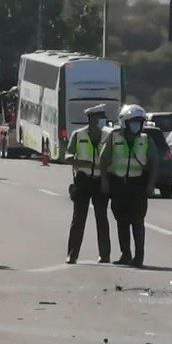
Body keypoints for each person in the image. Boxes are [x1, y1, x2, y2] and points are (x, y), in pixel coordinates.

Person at [100, 104, 160, 267]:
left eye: (140, 122)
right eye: (134, 122)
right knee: (121, 221)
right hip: (119, 186)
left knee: (138, 222)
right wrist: (104, 181)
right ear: (125, 122)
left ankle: (139, 256)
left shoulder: (146, 140)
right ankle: (126, 254)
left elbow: (154, 163)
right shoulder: (114, 137)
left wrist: (150, 185)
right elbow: (104, 159)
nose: (137, 125)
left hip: (138, 186)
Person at [65, 106, 111, 264]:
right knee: (78, 219)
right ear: (91, 119)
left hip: (100, 180)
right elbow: (68, 156)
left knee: (102, 219)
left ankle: (105, 255)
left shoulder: (107, 135)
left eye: (101, 118)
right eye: (97, 118)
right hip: (83, 180)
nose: (100, 121)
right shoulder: (78, 135)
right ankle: (72, 254)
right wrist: (81, 161)